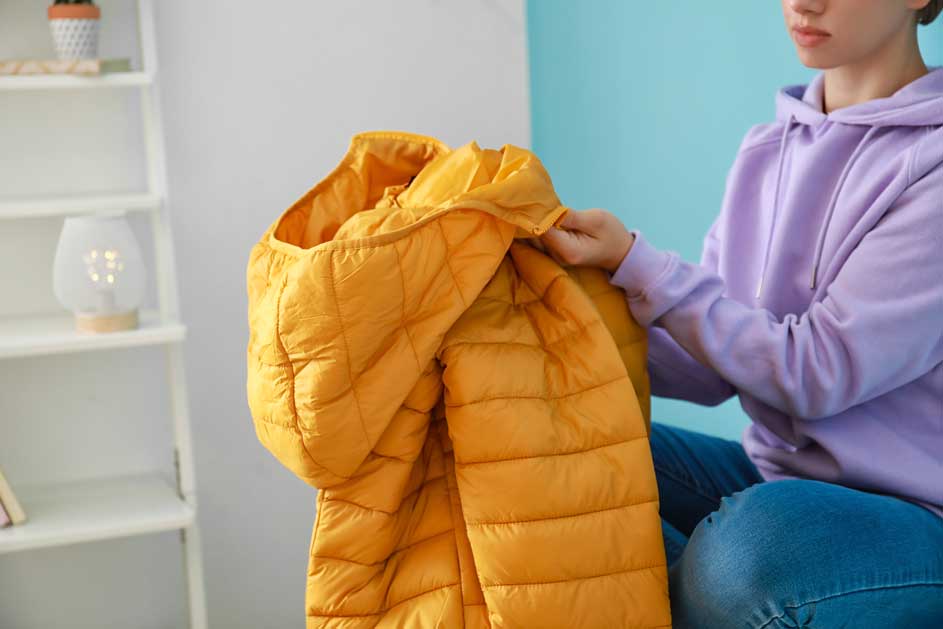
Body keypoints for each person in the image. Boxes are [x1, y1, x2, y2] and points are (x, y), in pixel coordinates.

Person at [539, 0, 943, 626]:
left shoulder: (935, 166)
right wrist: (557, 305)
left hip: (915, 518)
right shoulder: (767, 149)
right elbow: (709, 367)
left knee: (749, 551)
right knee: (554, 446)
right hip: (776, 482)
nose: (803, 3)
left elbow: (817, 371)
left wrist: (639, 265)